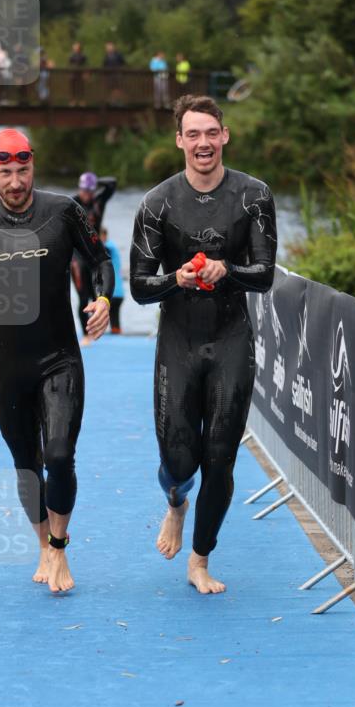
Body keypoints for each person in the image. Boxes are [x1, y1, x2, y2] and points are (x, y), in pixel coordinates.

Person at [0, 128, 114, 593]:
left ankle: (57, 548)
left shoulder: (63, 211)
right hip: (7, 366)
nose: (16, 182)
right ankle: (42, 544)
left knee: (60, 456)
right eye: (6, 173)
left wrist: (102, 298)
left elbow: (99, 261)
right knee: (26, 464)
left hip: (59, 357)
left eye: (23, 170)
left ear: (34, 165)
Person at [130, 94, 277, 594]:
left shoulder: (254, 196)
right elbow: (139, 287)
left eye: (210, 133)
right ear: (180, 141)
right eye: (193, 134)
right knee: (179, 462)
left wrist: (226, 270)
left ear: (225, 136)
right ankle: (176, 501)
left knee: (221, 457)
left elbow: (263, 276)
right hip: (179, 343)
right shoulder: (157, 204)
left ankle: (199, 560)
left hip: (231, 339)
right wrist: (177, 277)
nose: (203, 143)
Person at [71, 170, 117, 344]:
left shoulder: (99, 201)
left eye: (90, 191)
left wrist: (96, 181)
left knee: (97, 295)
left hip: (94, 253)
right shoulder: (72, 203)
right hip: (77, 257)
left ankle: (98, 330)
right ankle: (86, 334)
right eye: (84, 190)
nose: (87, 194)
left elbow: (112, 183)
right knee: (83, 297)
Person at [100, 228, 124, 333]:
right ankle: (116, 331)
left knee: (105, 315)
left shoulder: (109, 247)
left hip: (112, 291)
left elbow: (100, 249)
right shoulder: (112, 246)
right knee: (114, 320)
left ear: (104, 236)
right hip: (118, 292)